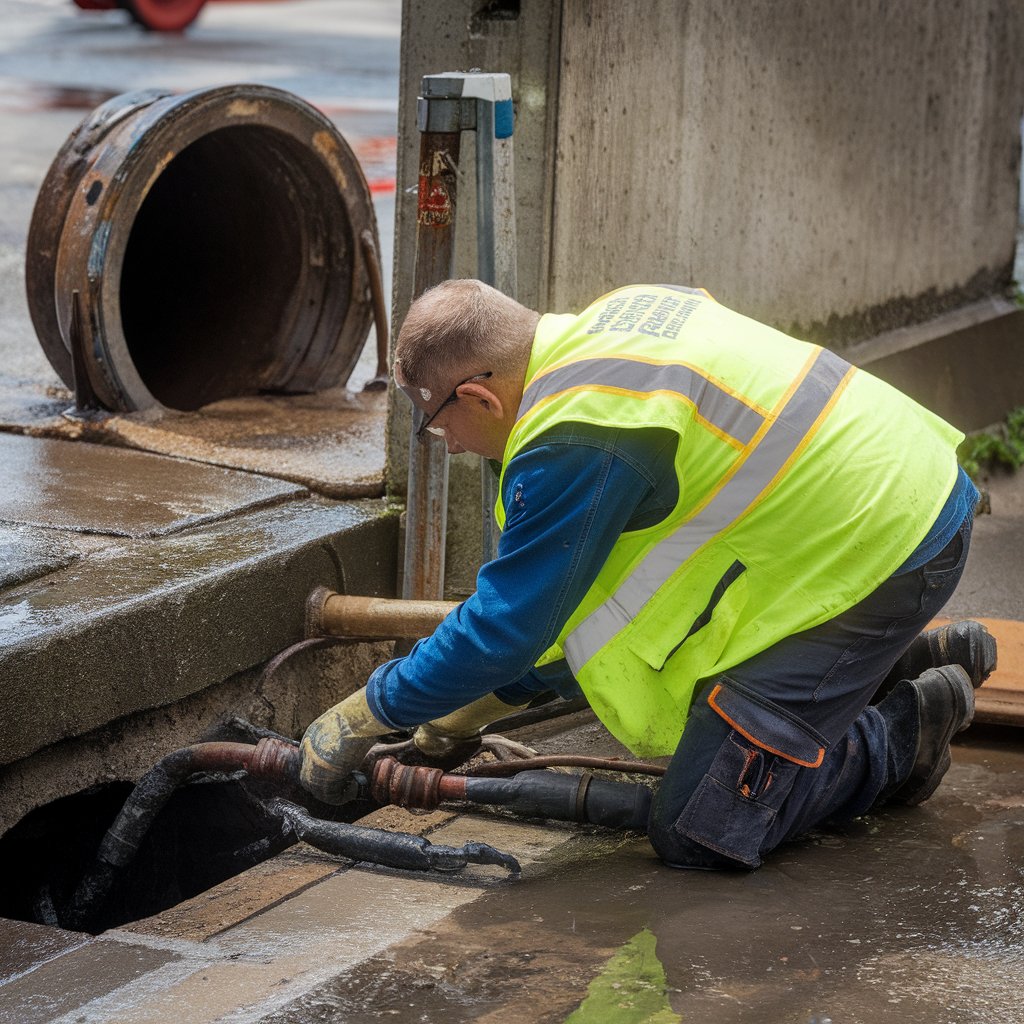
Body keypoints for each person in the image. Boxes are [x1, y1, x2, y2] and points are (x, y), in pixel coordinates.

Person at [298, 280, 995, 869]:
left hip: (887, 553)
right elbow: (575, 615)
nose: (444, 443)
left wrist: (370, 711)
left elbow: (507, 627)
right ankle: (903, 660)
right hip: (883, 512)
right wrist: (466, 707)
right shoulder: (613, 327)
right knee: (715, 735)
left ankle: (905, 732)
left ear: (479, 398)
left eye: (434, 423)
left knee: (701, 826)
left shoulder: (576, 435)